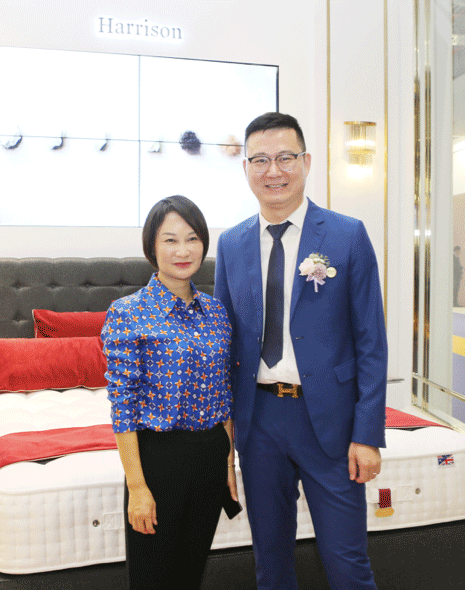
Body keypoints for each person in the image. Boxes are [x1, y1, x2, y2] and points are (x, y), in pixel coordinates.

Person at [214, 112, 387, 590]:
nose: (273, 171)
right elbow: (224, 347)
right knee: (270, 564)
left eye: (285, 157)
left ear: (306, 162)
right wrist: (224, 441)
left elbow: (372, 342)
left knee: (347, 564)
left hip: (330, 420)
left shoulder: (347, 235)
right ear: (246, 168)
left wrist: (368, 434)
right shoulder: (230, 244)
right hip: (259, 421)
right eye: (260, 160)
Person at [101, 195, 237, 590]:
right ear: (152, 247)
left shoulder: (216, 312)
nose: (183, 251)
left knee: (191, 573)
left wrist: (228, 465)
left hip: (211, 454)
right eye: (170, 240)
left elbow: (224, 395)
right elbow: (123, 406)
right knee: (152, 577)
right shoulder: (128, 312)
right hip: (158, 459)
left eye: (192, 239)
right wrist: (137, 487)